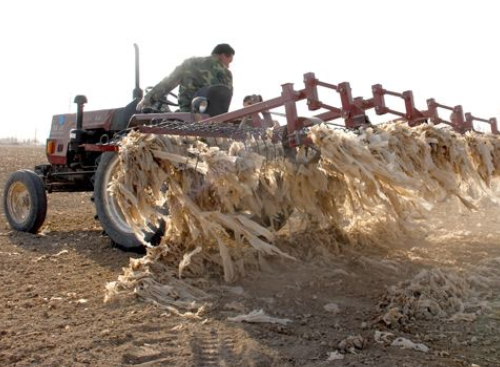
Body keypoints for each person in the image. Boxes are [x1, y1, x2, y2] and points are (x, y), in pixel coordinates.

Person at [137, 44, 235, 112]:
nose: (228, 66)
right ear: (222, 56)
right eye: (229, 62)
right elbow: (227, 101)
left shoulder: (191, 63)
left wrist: (147, 100)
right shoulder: (228, 75)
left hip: (188, 117)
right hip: (216, 120)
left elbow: (169, 82)